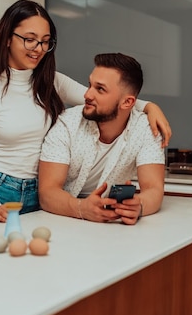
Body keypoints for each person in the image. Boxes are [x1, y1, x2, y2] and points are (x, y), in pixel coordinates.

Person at [0, 0, 170, 229]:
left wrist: (149, 106)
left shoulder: (51, 82)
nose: (38, 49)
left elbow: (103, 99)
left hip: (35, 195)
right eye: (30, 39)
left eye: (45, 42)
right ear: (7, 38)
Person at [38, 53, 165, 225]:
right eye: (90, 85)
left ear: (127, 103)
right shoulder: (66, 124)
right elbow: (47, 192)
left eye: (100, 89)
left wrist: (139, 206)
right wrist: (81, 208)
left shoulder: (146, 129)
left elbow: (154, 190)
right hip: (61, 218)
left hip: (110, 226)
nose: (87, 94)